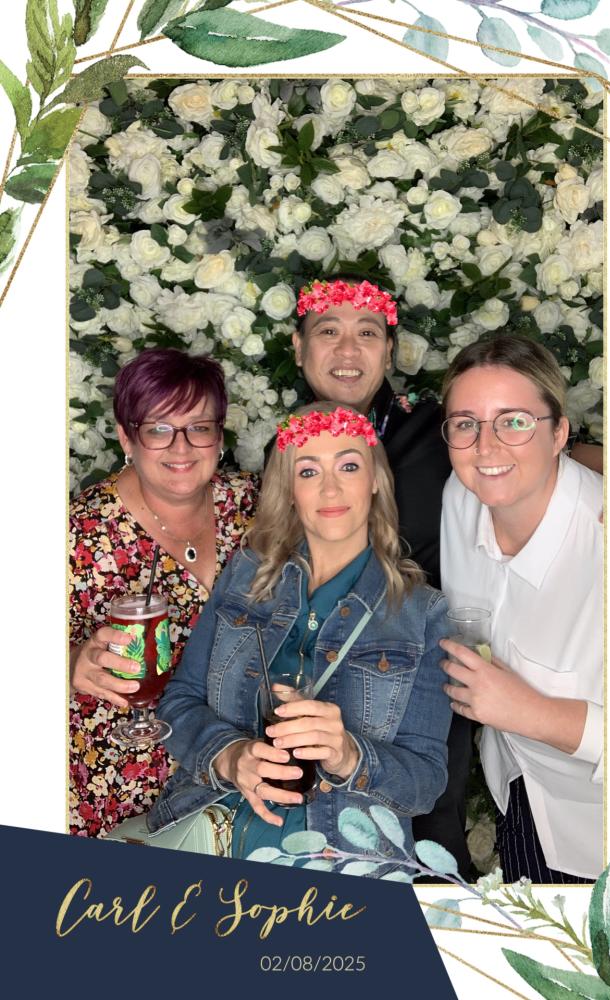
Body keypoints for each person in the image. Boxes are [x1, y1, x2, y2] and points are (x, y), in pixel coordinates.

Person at [147, 404, 451, 872]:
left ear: (375, 479)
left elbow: (425, 783)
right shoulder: (246, 575)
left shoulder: (421, 612)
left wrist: (349, 755)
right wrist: (230, 755)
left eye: (348, 466)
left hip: (342, 864)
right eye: (309, 471)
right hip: (214, 838)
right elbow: (179, 702)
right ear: (289, 490)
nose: (330, 488)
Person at [290, 276, 469, 875]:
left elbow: (543, 455)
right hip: (322, 682)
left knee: (430, 843)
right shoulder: (288, 448)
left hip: (422, 680)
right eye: (328, 331)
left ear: (389, 352)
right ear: (299, 348)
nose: (348, 350)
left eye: (366, 333)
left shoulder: (441, 430)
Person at [69, 348, 257, 837]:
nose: (182, 447)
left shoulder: (252, 504)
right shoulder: (77, 531)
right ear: (126, 438)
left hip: (231, 771)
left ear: (219, 436)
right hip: (117, 781)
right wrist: (69, 664)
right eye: (158, 429)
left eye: (199, 427)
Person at [439, 336, 603, 883]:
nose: (485, 447)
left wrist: (527, 710)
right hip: (517, 791)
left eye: (514, 422)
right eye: (466, 423)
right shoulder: (460, 498)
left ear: (559, 433)